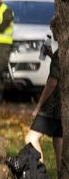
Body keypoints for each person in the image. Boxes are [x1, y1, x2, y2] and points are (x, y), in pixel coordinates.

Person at [26, 19, 61, 166]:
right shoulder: (62, 52)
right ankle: (62, 178)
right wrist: (52, 56)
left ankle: (40, 173)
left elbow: (53, 82)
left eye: (53, 29)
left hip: (54, 104)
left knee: (31, 137)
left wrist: (38, 106)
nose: (52, 33)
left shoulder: (62, 52)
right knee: (59, 138)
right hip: (63, 104)